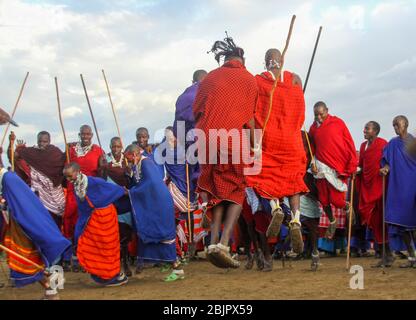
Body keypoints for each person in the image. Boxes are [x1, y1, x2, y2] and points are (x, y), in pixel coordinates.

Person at [193, 35, 258, 268]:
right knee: (238, 191)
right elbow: (249, 119)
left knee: (216, 192)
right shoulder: (249, 80)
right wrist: (254, 144)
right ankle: (223, 244)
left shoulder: (209, 78)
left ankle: (212, 243)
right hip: (232, 141)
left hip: (207, 141)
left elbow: (197, 111)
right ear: (242, 59)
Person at [246, 48, 308, 259]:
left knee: (266, 177)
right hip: (291, 140)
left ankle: (274, 208)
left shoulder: (258, 80)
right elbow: (300, 113)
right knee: (293, 181)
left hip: (269, 139)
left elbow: (251, 111)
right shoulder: (296, 79)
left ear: (266, 62)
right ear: (282, 60)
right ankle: (296, 219)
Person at [0, 162, 71, 299]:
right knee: (27, 260)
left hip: (22, 227)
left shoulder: (9, 179)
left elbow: (22, 205)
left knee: (27, 261)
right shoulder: (6, 179)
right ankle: (51, 288)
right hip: (18, 225)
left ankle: (51, 288)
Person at [63, 162, 128, 286]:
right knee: (94, 247)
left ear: (78, 171)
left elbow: (111, 188)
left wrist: (123, 191)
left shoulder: (93, 182)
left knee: (108, 247)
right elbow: (83, 209)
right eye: (66, 177)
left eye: (70, 176)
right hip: (92, 220)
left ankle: (113, 274)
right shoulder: (77, 186)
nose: (68, 179)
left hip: (106, 218)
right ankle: (103, 275)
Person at [125, 144, 183, 281]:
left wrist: (132, 192)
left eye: (129, 159)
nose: (129, 162)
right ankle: (163, 264)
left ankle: (178, 267)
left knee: (162, 234)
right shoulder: (138, 165)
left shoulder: (146, 163)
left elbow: (151, 183)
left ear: (135, 154)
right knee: (150, 232)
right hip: (153, 204)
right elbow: (139, 182)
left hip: (159, 205)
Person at [309, 102, 358, 239]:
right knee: (323, 200)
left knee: (337, 201)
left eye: (321, 113)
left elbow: (349, 142)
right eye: (316, 115)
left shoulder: (337, 123)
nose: (319, 117)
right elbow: (312, 148)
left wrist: (352, 164)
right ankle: (332, 221)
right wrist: (312, 164)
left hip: (336, 168)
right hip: (320, 168)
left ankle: (347, 206)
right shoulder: (313, 129)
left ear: (327, 111)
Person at [63, 125, 106, 271]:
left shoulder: (98, 151)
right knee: (72, 223)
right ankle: (73, 258)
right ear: (79, 134)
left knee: (89, 225)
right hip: (72, 192)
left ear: (92, 135)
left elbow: (102, 172)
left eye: (88, 134)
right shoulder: (71, 151)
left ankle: (89, 259)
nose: (85, 136)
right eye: (83, 134)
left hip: (90, 192)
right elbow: (65, 171)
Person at [8, 131, 66, 229]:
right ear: (37, 140)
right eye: (40, 141)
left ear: (49, 141)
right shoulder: (31, 153)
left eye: (45, 141)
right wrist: (11, 142)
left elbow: (65, 164)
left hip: (55, 194)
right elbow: (13, 157)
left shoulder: (55, 152)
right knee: (41, 219)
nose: (42, 144)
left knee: (56, 221)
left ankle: (57, 239)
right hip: (38, 194)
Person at [380, 115, 416, 268]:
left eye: (398, 125)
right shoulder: (392, 144)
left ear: (406, 125)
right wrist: (385, 169)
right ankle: (411, 257)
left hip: (412, 187)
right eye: (394, 125)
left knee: (413, 223)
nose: (395, 128)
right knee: (400, 224)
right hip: (397, 188)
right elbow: (387, 162)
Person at [356, 121, 393, 267]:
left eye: (367, 128)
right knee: (375, 222)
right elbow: (361, 165)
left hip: (380, 186)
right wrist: (356, 170)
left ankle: (390, 254)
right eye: (364, 128)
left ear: (375, 131)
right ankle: (385, 255)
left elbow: (389, 162)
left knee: (382, 220)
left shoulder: (383, 143)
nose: (364, 130)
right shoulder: (362, 146)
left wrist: (386, 168)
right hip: (367, 187)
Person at [104, 137, 134, 277]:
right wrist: (104, 168)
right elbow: (102, 178)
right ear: (109, 146)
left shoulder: (126, 160)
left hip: (125, 202)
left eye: (118, 146)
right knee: (114, 235)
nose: (115, 149)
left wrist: (129, 172)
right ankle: (117, 265)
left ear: (121, 147)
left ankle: (127, 262)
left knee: (125, 234)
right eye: (113, 146)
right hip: (112, 202)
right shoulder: (105, 159)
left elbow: (132, 180)